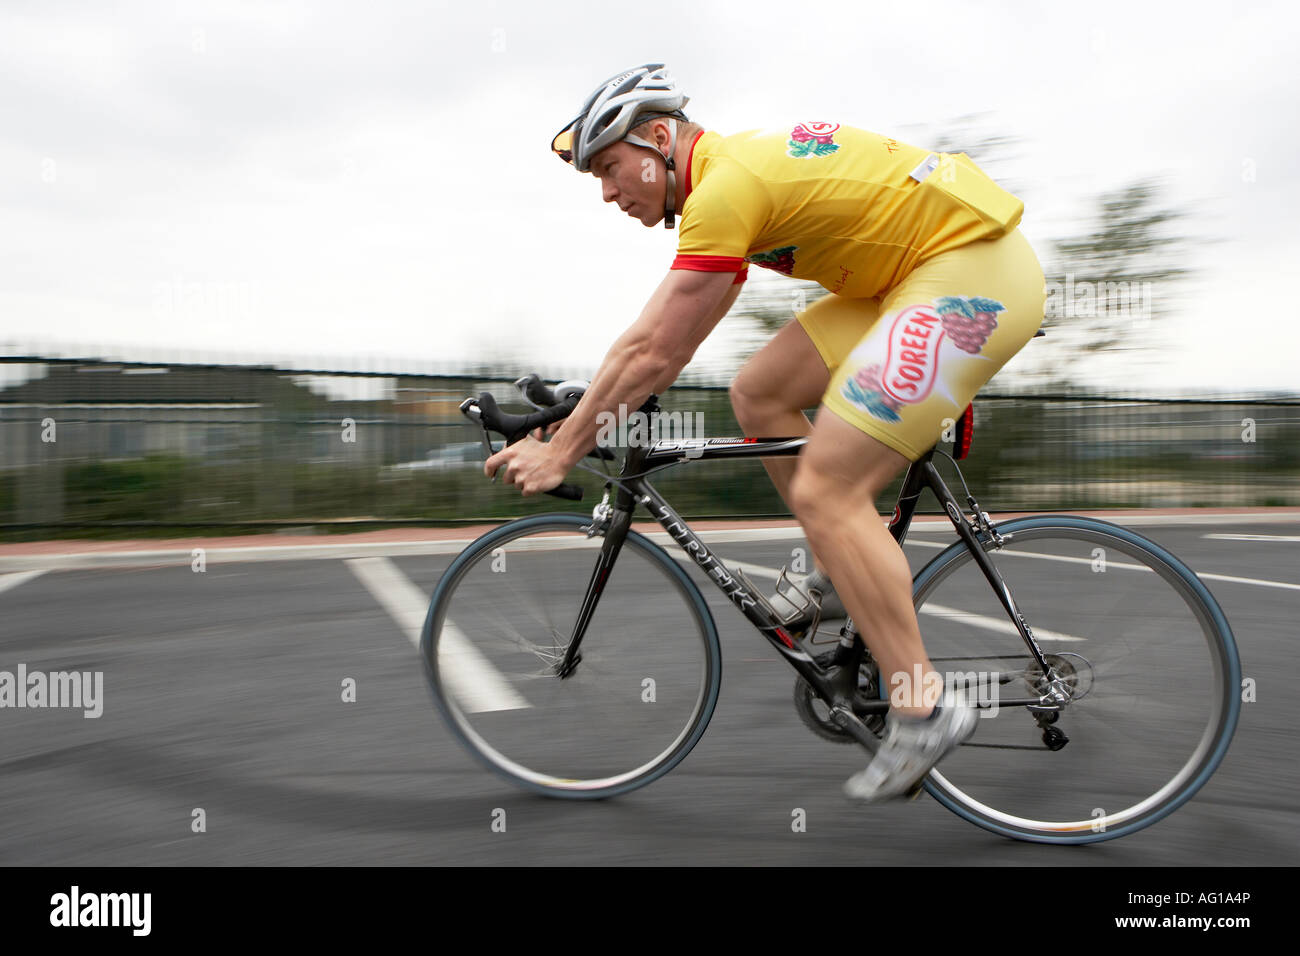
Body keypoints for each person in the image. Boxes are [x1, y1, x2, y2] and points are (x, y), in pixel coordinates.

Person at [484, 64, 1046, 801]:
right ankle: (834, 572)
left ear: (659, 138)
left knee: (829, 485)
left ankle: (924, 706)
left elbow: (658, 352)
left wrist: (566, 449)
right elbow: (649, 345)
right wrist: (579, 413)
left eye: (613, 169)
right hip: (911, 281)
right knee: (757, 391)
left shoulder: (725, 188)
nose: (608, 192)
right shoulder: (727, 183)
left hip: (970, 271)